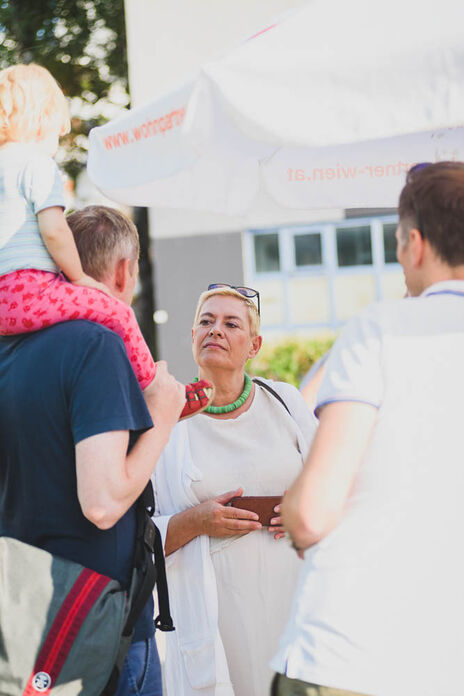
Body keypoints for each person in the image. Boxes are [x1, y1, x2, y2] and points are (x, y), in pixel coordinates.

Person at [272, 161, 464, 696]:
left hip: (355, 653)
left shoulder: (381, 327)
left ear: (417, 245)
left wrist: (291, 513)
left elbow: (311, 513)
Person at [0, 204, 186, 696]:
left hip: (21, 621)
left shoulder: (10, 348)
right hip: (97, 628)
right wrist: (163, 419)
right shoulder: (95, 346)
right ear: (125, 272)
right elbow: (102, 503)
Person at [0, 63, 212, 417]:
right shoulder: (36, 165)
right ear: (41, 119)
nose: (57, 144)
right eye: (57, 134)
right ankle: (153, 391)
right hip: (29, 290)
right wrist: (80, 279)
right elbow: (54, 229)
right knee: (116, 312)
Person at [152, 284, 318, 696]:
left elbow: (331, 490)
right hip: (214, 620)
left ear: (254, 345)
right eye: (205, 322)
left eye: (231, 324)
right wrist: (195, 521)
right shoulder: (165, 418)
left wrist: (304, 510)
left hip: (292, 605)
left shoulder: (286, 403)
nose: (215, 331)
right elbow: (135, 533)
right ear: (191, 337)